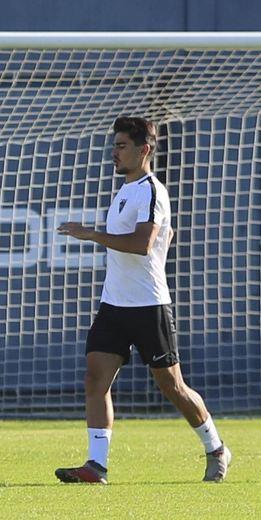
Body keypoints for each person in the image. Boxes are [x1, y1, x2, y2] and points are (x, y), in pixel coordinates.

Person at [53, 115, 231, 484]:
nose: (113, 153)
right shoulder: (126, 190)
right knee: (94, 379)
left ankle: (216, 448)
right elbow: (163, 235)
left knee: (173, 387)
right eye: (114, 145)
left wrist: (90, 234)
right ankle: (96, 466)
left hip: (149, 306)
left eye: (121, 146)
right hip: (114, 304)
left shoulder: (151, 190)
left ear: (144, 150)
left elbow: (141, 244)